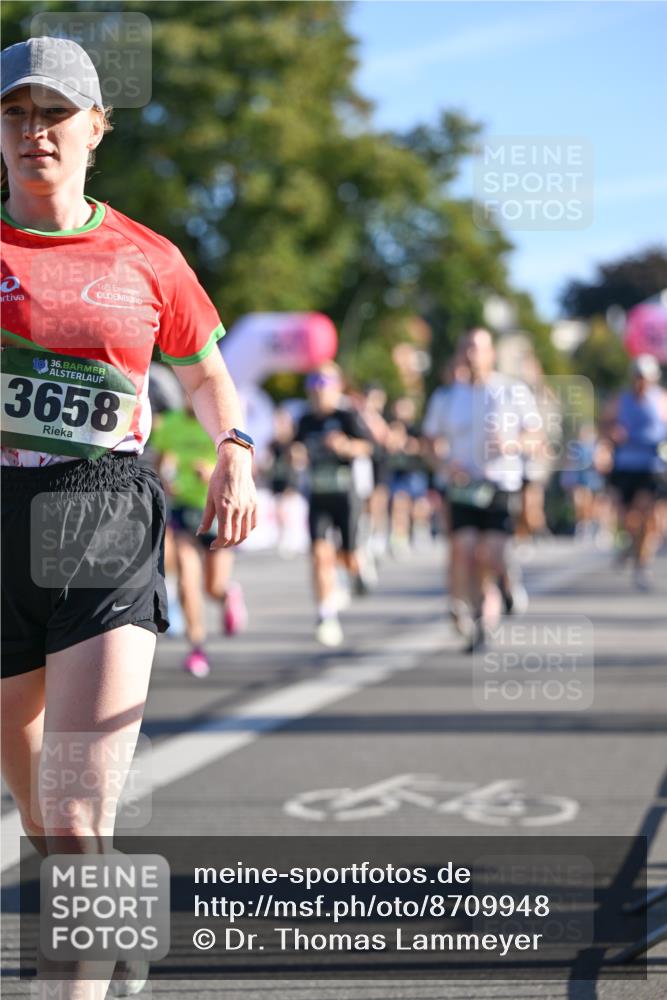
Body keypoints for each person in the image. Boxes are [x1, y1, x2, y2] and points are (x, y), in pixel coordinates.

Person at [0, 37, 257, 999]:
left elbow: (208, 377)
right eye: (16, 113)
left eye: (55, 113)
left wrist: (234, 451)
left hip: (102, 512)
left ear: (96, 129)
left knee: (72, 818)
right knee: (42, 818)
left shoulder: (148, 256)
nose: (35, 131)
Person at [422, 328, 536, 651]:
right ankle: (480, 622)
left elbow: (535, 436)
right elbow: (428, 441)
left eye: (478, 349)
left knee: (493, 554)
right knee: (466, 551)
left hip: (500, 482)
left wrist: (511, 444)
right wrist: (445, 466)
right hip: (463, 486)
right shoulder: (447, 397)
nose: (472, 355)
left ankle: (507, 581)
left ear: (491, 354)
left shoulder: (512, 391)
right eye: (467, 348)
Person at [151, 404, 249, 678]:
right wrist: (165, 482)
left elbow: (241, 466)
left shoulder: (220, 419)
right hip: (184, 510)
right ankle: (196, 648)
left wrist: (213, 473)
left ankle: (227, 595)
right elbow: (160, 460)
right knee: (186, 580)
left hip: (217, 508)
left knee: (212, 587)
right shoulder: (170, 422)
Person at [292, 362, 373, 647]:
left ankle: (357, 567)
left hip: (345, 495)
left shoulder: (346, 416)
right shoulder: (305, 420)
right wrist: (295, 454)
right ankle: (326, 615)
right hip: (318, 495)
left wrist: (346, 446)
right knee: (318, 555)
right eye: (313, 385)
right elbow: (295, 447)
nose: (317, 391)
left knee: (347, 558)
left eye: (323, 385)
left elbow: (369, 446)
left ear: (336, 388)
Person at [601, 354, 667, 590]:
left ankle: (642, 563)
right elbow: (605, 424)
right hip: (625, 466)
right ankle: (632, 547)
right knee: (629, 519)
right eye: (638, 377)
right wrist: (612, 433)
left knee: (647, 515)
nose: (641, 382)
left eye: (645, 377)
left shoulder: (661, 399)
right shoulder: (621, 399)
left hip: (651, 467)